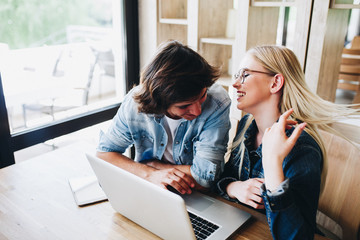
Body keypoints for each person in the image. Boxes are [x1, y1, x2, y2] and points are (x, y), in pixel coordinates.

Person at [215, 45, 360, 239]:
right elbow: (225, 177)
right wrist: (233, 188)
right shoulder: (246, 127)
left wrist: (272, 162)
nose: (235, 84)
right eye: (236, 75)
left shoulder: (301, 147)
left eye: (245, 75)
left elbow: (296, 236)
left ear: (275, 83)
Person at [97, 40, 231, 195]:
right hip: (150, 187)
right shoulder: (134, 104)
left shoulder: (217, 103)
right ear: (159, 103)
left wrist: (153, 165)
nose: (197, 111)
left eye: (201, 96)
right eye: (184, 106)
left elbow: (206, 179)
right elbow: (104, 155)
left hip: (195, 195)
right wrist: (149, 174)